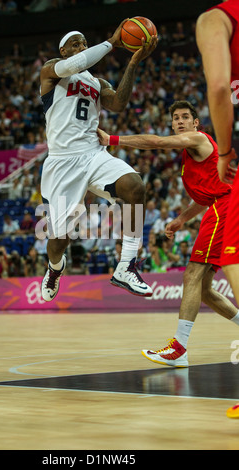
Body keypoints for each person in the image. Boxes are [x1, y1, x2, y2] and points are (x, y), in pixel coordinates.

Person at [98, 100, 239, 367]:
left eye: (185, 117)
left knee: (192, 275)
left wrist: (113, 139)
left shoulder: (197, 139)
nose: (180, 121)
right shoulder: (190, 156)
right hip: (223, 206)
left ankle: (179, 348)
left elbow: (158, 143)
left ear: (196, 123)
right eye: (175, 118)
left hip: (228, 206)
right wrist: (181, 219)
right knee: (204, 289)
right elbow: (203, 197)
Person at [39, 22, 157, 302]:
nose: (81, 47)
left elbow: (118, 104)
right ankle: (55, 267)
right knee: (58, 241)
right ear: (63, 50)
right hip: (62, 163)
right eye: (76, 44)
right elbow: (76, 63)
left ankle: (127, 265)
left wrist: (132, 63)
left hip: (93, 154)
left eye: (84, 43)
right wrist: (112, 42)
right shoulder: (51, 71)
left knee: (135, 186)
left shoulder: (96, 82)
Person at [196, 0, 239, 419]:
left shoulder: (215, 17)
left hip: (234, 178)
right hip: (208, 207)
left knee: (235, 263)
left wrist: (225, 151)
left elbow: (220, 87)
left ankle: (177, 346)